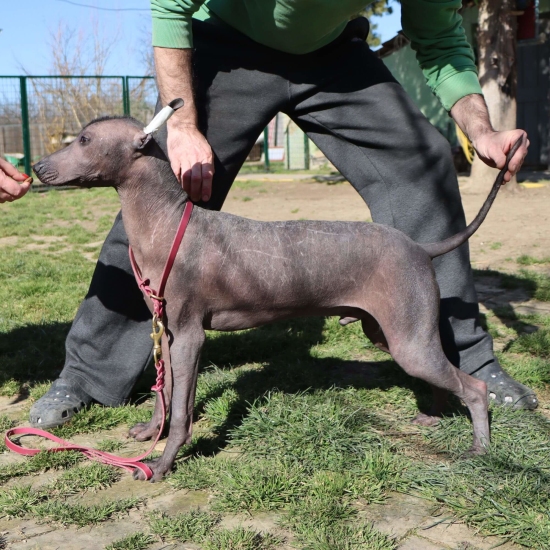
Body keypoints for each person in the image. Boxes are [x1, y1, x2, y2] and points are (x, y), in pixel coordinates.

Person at [30, 0, 537, 429]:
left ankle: (465, 359)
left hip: (336, 57)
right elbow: (170, 5)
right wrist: (182, 125)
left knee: (424, 169)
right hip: (228, 46)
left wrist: (482, 129)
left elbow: (441, 36)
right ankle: (88, 376)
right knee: (155, 193)